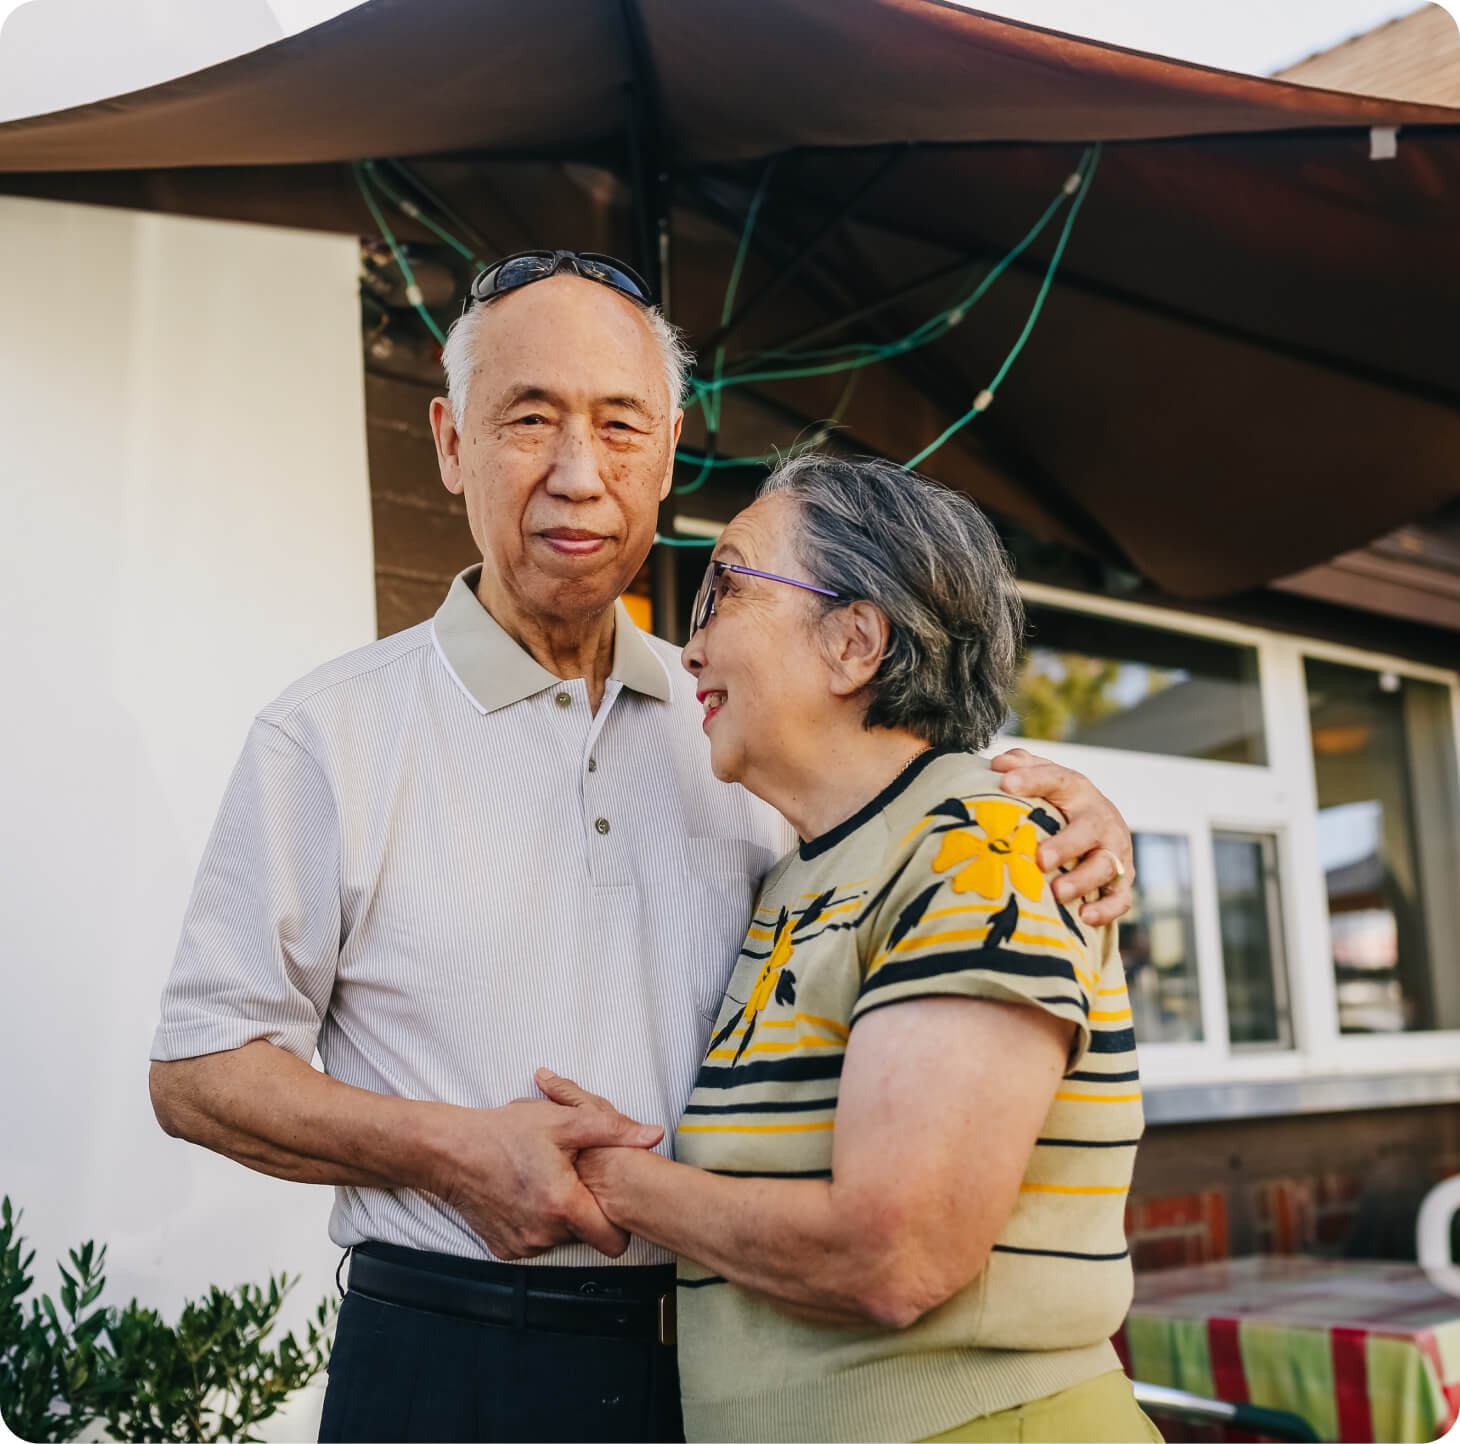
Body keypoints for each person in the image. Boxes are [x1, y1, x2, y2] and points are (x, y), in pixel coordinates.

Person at [146, 250, 1137, 1444]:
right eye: (528, 419)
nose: (579, 474)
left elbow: (910, 842)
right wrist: (457, 1153)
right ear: (452, 442)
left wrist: (1068, 807)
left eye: (620, 426)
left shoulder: (739, 721)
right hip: (458, 1360)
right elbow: (199, 1068)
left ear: (668, 455)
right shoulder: (328, 734)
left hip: (744, 1351)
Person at [539, 453, 1157, 1443]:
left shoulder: (978, 851)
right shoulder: (806, 872)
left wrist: (608, 1180)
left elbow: (892, 1257)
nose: (689, 649)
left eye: (724, 586)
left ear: (852, 640)